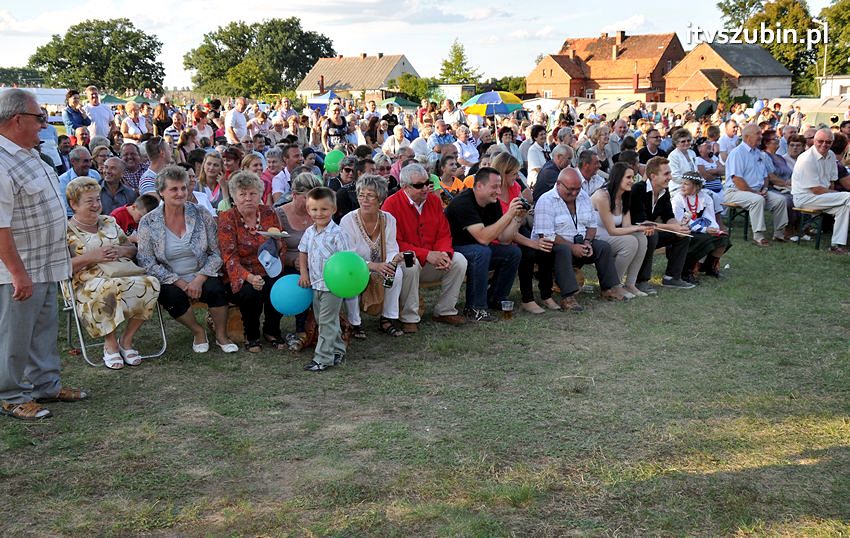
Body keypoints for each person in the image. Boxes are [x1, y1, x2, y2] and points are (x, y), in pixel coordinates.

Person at [0, 89, 87, 420]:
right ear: (17, 119)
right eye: (40, 118)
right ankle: (9, 395)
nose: (45, 124)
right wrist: (17, 272)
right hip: (19, 268)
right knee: (14, 334)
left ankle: (46, 385)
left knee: (43, 330)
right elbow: (0, 226)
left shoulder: (28, 152)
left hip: (47, 261)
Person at [136, 165, 237, 354]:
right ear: (161, 192)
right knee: (170, 295)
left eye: (183, 187)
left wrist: (199, 279)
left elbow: (217, 253)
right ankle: (198, 332)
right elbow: (147, 261)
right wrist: (181, 283)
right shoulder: (148, 222)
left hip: (202, 272)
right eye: (174, 189)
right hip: (170, 277)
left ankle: (222, 335)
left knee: (216, 289)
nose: (180, 193)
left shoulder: (201, 213)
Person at [65, 177, 160, 369]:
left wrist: (121, 251)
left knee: (152, 282)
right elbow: (60, 267)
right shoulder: (65, 230)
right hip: (85, 282)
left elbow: (133, 250)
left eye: (97, 199)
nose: (96, 205)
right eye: (89, 201)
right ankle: (110, 344)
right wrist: (91, 257)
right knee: (108, 288)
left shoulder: (109, 221)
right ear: (73, 204)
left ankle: (126, 340)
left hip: (120, 273)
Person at [533, 168, 631, 311]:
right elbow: (546, 236)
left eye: (577, 189)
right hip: (552, 248)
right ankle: (568, 297)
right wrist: (572, 247)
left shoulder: (583, 196)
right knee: (564, 250)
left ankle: (608, 289)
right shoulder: (546, 200)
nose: (574, 193)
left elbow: (592, 226)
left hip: (580, 243)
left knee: (603, 247)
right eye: (571, 189)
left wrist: (587, 242)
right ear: (559, 184)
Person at [382, 163, 468, 327]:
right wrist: (427, 254)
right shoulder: (391, 204)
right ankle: (409, 318)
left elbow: (443, 233)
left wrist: (444, 253)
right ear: (405, 187)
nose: (425, 189)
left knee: (459, 260)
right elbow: (394, 243)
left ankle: (445, 310)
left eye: (427, 183)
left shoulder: (434, 202)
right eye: (419, 185)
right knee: (409, 263)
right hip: (406, 262)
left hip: (431, 260)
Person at [218, 172, 286, 352]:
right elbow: (229, 257)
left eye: (253, 193)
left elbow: (281, 247)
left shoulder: (269, 213)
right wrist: (248, 277)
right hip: (240, 271)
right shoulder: (227, 218)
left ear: (260, 195)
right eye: (242, 194)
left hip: (268, 267)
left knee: (278, 286)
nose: (248, 198)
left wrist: (278, 242)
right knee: (251, 292)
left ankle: (272, 330)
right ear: (234, 196)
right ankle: (252, 334)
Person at [445, 167, 523, 322]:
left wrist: (517, 218)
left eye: (499, 186)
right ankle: (475, 308)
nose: (499, 192)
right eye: (494, 187)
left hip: (477, 248)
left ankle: (495, 298)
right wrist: (508, 214)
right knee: (482, 252)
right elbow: (483, 238)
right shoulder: (463, 203)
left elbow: (504, 239)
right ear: (479, 186)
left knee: (512, 252)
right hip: (453, 249)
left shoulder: (491, 201)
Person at [340, 174, 413, 336]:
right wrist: (373, 266)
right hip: (355, 265)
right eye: (361, 195)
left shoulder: (389, 219)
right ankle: (355, 322)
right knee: (351, 274)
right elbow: (349, 256)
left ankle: (388, 318)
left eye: (370, 195)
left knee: (397, 272)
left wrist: (391, 262)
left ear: (380, 198)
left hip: (381, 263)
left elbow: (391, 247)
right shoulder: (348, 221)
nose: (364, 200)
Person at [298, 186, 351, 371]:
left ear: (333, 210)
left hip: (333, 287)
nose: (319, 213)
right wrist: (304, 273)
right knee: (324, 320)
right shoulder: (309, 232)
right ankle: (337, 350)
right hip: (316, 283)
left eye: (324, 209)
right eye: (314, 209)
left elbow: (346, 260)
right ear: (308, 210)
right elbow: (302, 252)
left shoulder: (338, 234)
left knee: (327, 321)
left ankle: (323, 358)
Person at [630, 157, 694, 291]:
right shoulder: (638, 189)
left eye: (670, 173)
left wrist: (679, 227)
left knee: (683, 235)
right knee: (650, 235)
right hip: (631, 233)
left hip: (649, 230)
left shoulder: (664, 191)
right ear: (653, 176)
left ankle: (672, 277)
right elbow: (642, 222)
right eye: (666, 174)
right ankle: (641, 281)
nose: (670, 177)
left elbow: (669, 216)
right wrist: (673, 227)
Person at [591, 163, 651, 298]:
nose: (632, 180)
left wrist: (642, 228)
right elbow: (612, 230)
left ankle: (630, 284)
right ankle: (614, 285)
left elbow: (626, 226)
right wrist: (637, 227)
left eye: (633, 177)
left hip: (609, 236)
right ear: (618, 178)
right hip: (594, 238)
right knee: (630, 241)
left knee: (641, 237)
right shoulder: (602, 196)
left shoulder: (624, 196)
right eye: (628, 177)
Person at [724, 124, 789, 246]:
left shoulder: (758, 153)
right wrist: (755, 193)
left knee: (780, 200)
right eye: (758, 134)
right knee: (757, 200)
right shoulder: (737, 153)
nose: (761, 137)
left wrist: (764, 188)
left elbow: (765, 176)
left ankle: (779, 233)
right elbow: (737, 179)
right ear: (747, 137)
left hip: (757, 191)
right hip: (735, 192)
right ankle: (758, 236)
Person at [791, 128, 850, 254]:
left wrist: (834, 198)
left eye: (828, 142)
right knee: (847, 197)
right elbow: (816, 189)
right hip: (804, 198)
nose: (824, 144)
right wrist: (838, 196)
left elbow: (832, 182)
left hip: (821, 197)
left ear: (832, 143)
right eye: (820, 141)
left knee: (844, 208)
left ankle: (836, 245)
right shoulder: (806, 159)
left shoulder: (831, 155)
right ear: (814, 141)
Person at [671, 172, 732, 280]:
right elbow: (681, 220)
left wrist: (714, 228)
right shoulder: (678, 199)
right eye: (682, 183)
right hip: (683, 229)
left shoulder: (705, 198)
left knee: (723, 238)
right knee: (702, 239)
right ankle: (688, 269)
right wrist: (704, 229)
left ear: (696, 187)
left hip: (702, 228)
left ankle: (709, 267)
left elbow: (709, 217)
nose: (682, 186)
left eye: (686, 184)